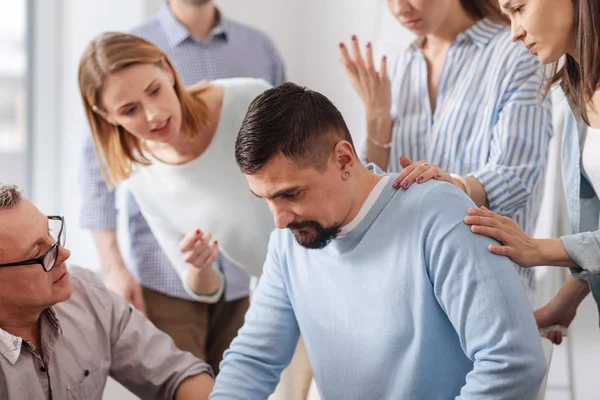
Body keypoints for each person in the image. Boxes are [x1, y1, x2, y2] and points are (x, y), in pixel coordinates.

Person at [210, 83, 547, 399]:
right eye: (265, 199)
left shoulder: (439, 215)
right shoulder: (288, 246)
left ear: (343, 159)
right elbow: (252, 361)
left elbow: (512, 362)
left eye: (291, 194)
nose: (279, 219)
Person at [79, 0, 284, 369]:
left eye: (155, 91)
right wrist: (198, 265)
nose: (154, 115)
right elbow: (204, 286)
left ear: (168, 71)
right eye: (129, 110)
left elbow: (318, 159)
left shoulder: (250, 93)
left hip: (298, 275)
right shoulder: (141, 174)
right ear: (106, 116)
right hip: (244, 284)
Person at [339, 0, 553, 301]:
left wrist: (452, 187)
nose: (400, 8)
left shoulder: (516, 53)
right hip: (405, 283)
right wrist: (377, 119)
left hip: (487, 277)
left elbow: (516, 177)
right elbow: (369, 193)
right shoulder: (401, 66)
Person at [462, 0, 600, 345]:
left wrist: (539, 249)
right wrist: (566, 299)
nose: (514, 32)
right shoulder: (576, 89)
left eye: (519, 8)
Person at [0, 184, 213, 399]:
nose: (64, 253)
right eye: (39, 252)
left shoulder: (88, 296)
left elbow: (177, 374)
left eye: (50, 233)